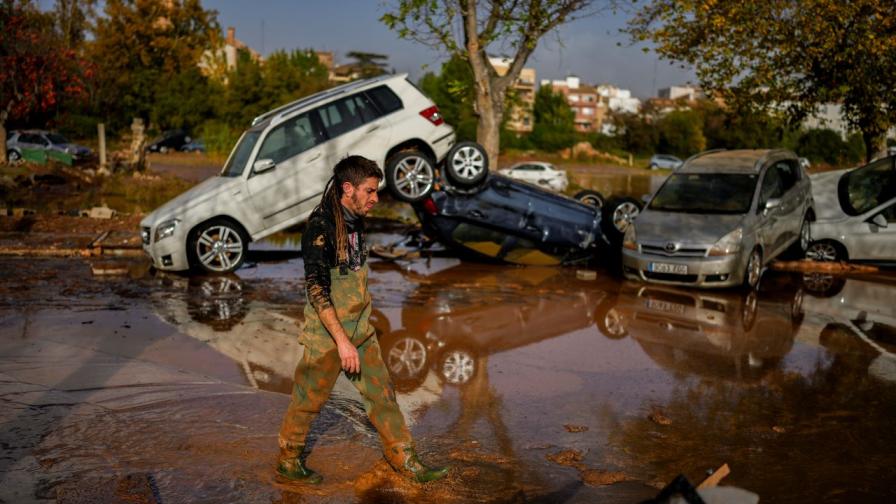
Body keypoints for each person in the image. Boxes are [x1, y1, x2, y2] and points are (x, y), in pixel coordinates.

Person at [277, 155, 448, 484]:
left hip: (361, 330)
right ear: (347, 188)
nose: (375, 198)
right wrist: (342, 343)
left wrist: (359, 334)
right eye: (370, 191)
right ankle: (289, 460)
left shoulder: (355, 220)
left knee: (382, 394)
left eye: (376, 190)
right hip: (327, 335)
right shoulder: (320, 227)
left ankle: (404, 459)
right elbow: (317, 290)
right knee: (307, 401)